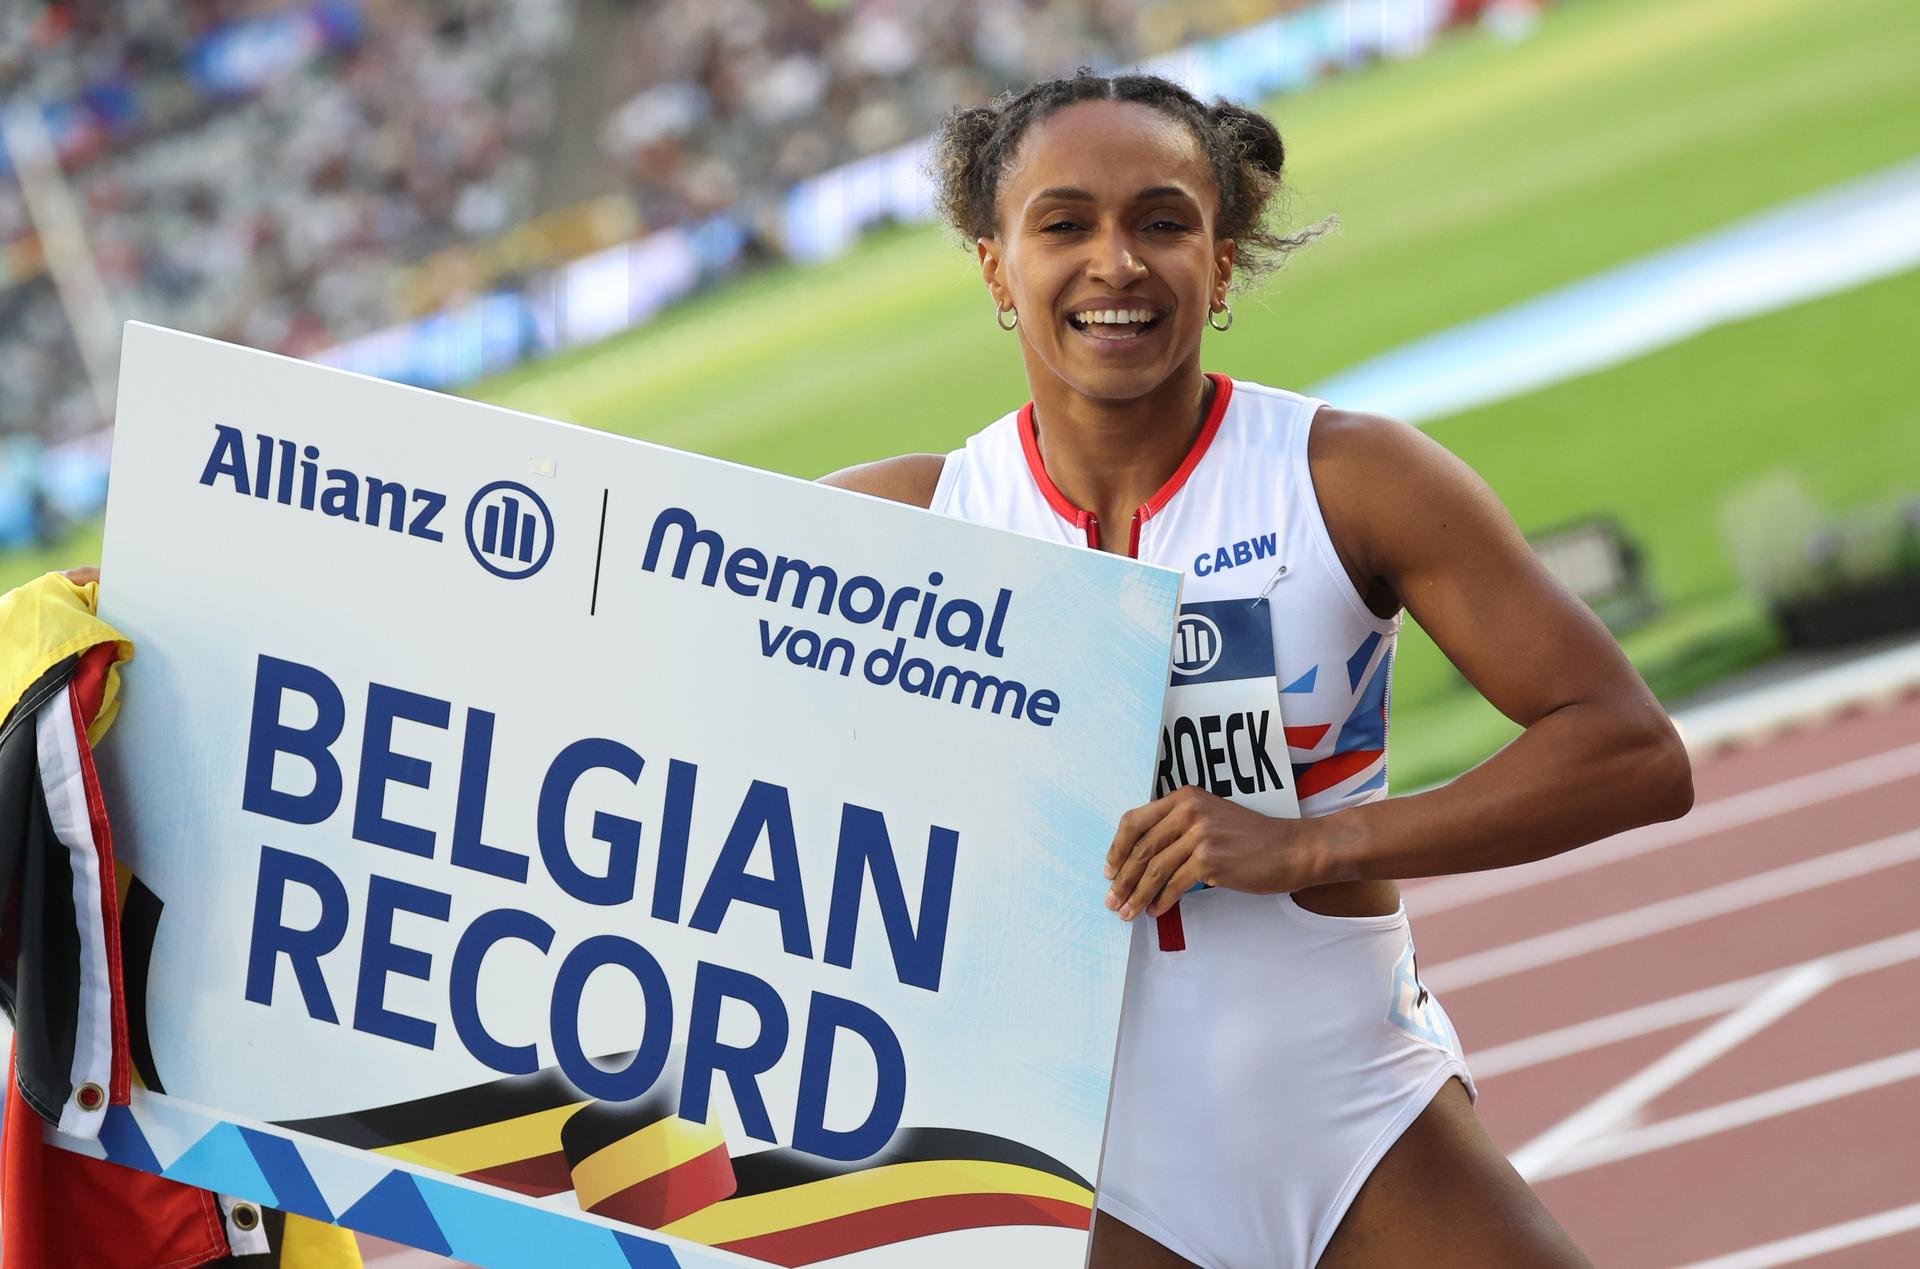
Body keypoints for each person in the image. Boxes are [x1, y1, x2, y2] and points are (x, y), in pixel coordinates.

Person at [823, 71, 1693, 1269]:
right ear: (994, 266)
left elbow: (1631, 751)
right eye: (1065, 224)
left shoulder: (1349, 479)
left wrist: (1311, 846)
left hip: (1355, 1122)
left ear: (1222, 263)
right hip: (1072, 1174)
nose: (1117, 262)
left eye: (1164, 222)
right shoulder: (901, 527)